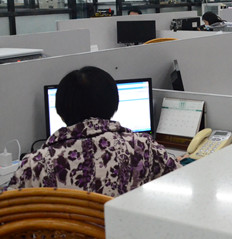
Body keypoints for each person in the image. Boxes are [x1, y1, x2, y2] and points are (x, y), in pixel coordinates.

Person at [6, 67, 178, 197]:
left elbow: (7, 214)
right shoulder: (142, 147)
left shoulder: (35, 164)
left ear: (60, 111)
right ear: (114, 106)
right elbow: (180, 179)